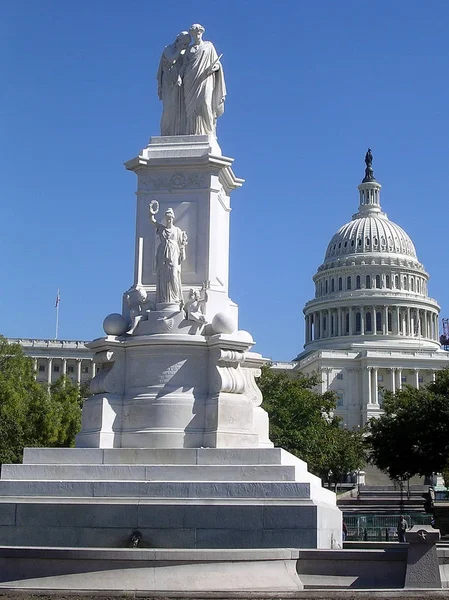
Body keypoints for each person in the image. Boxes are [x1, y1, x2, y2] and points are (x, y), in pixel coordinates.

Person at [181, 23, 226, 135]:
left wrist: (215, 67)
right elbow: (183, 66)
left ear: (202, 33)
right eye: (195, 33)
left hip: (205, 78)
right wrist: (178, 76)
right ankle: (192, 131)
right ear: (192, 34)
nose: (198, 35)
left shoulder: (209, 46)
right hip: (190, 79)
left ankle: (208, 130)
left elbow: (217, 63)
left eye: (199, 32)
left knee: (206, 102)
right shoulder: (189, 50)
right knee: (190, 108)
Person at [150, 206, 187, 305]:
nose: (169, 220)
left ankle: (176, 298)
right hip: (163, 252)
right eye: (167, 218)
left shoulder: (177, 230)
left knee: (174, 274)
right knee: (163, 275)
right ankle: (164, 298)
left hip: (174, 252)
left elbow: (181, 243)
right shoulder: (162, 229)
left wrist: (183, 252)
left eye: (170, 218)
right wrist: (151, 213)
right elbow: (153, 222)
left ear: (173, 218)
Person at [156, 31, 191, 136]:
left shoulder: (184, 52)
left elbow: (185, 65)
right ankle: (165, 133)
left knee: (179, 109)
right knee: (168, 108)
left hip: (179, 82)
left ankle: (178, 132)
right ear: (178, 40)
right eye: (184, 43)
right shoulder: (168, 48)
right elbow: (171, 59)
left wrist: (180, 76)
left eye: (187, 44)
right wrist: (180, 50)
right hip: (168, 81)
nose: (185, 46)